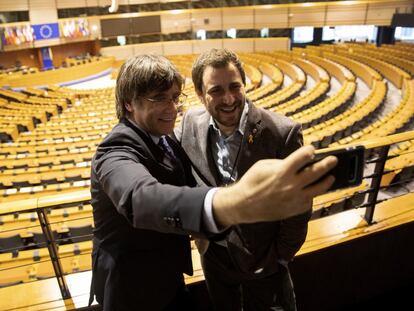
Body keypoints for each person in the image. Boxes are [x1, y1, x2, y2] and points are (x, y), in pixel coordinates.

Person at [89, 54, 337, 311]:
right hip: (134, 289)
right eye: (160, 98)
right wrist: (233, 203)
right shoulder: (114, 149)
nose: (173, 108)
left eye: (175, 97)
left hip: (202, 273)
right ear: (129, 103)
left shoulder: (164, 135)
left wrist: (281, 257)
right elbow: (140, 198)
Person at [175, 48, 310, 311]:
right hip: (213, 257)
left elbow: (299, 205)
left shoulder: (281, 133)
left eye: (235, 87)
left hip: (265, 261)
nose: (228, 99)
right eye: (215, 90)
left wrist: (280, 257)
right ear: (201, 95)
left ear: (245, 85)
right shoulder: (191, 121)